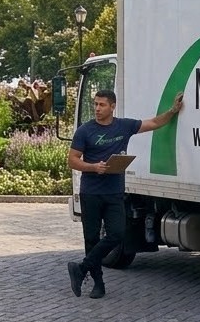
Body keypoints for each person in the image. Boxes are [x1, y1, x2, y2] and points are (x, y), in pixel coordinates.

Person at [67, 88, 184, 299]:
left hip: (114, 192)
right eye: (95, 104)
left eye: (102, 105)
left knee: (117, 234)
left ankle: (81, 268)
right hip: (91, 193)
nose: (97, 108)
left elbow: (154, 123)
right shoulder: (85, 130)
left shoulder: (124, 126)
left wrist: (173, 110)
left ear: (112, 106)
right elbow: (72, 160)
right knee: (91, 239)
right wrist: (93, 167)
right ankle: (98, 284)